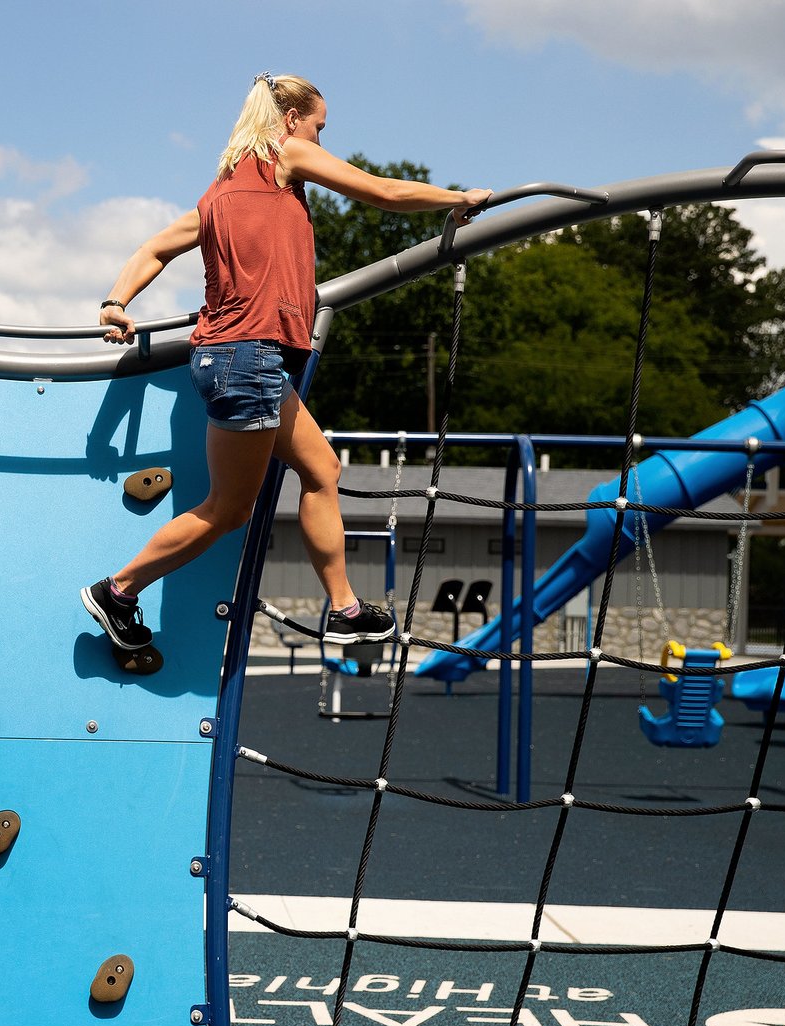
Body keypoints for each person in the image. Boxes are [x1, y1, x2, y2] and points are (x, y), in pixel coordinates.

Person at [81, 72, 492, 651]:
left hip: (245, 358)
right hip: (245, 357)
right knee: (228, 510)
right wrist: (458, 198)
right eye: (319, 126)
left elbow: (153, 248)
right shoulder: (284, 154)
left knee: (323, 470)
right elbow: (381, 192)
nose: (319, 142)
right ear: (290, 118)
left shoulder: (217, 193)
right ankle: (118, 590)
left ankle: (345, 609)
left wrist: (116, 301)